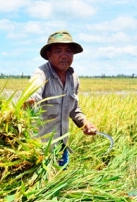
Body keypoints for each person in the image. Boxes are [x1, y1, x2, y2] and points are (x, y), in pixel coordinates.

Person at [26, 30, 97, 166]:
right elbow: (32, 99)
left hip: (61, 145)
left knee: (61, 183)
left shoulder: (73, 77)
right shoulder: (41, 74)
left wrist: (85, 123)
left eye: (68, 51)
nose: (64, 55)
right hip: (39, 149)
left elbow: (73, 107)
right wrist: (29, 103)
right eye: (58, 51)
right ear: (49, 54)